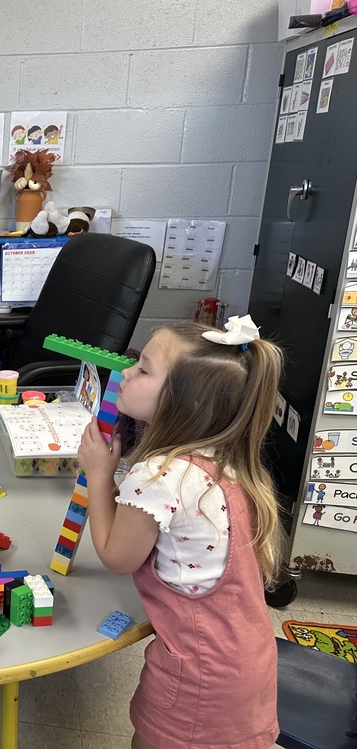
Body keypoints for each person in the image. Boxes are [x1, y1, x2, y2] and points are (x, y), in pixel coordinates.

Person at [77, 315, 284, 749]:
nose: (127, 373)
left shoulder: (160, 475)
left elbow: (117, 556)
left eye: (144, 369)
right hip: (246, 662)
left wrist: (99, 476)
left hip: (200, 680)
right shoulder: (227, 459)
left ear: (183, 403)